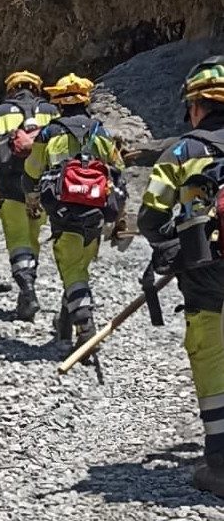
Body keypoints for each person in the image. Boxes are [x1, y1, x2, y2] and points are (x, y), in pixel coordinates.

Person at [139, 56, 224, 496]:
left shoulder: (183, 150)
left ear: (195, 106)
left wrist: (174, 252)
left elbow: (151, 218)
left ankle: (220, 465)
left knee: (212, 357)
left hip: (207, 273)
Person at [24, 73, 125, 348]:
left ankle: (85, 325)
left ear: (58, 102)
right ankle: (64, 330)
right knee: (78, 267)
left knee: (71, 269)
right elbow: (118, 171)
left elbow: (32, 170)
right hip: (96, 211)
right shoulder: (100, 131)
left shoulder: (49, 132)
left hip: (63, 211)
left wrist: (32, 199)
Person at [0, 71, 60, 320]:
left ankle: (27, 289)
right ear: (37, 88)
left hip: (10, 185)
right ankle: (30, 280)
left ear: (11, 90)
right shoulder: (51, 110)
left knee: (18, 238)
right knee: (33, 235)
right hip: (42, 184)